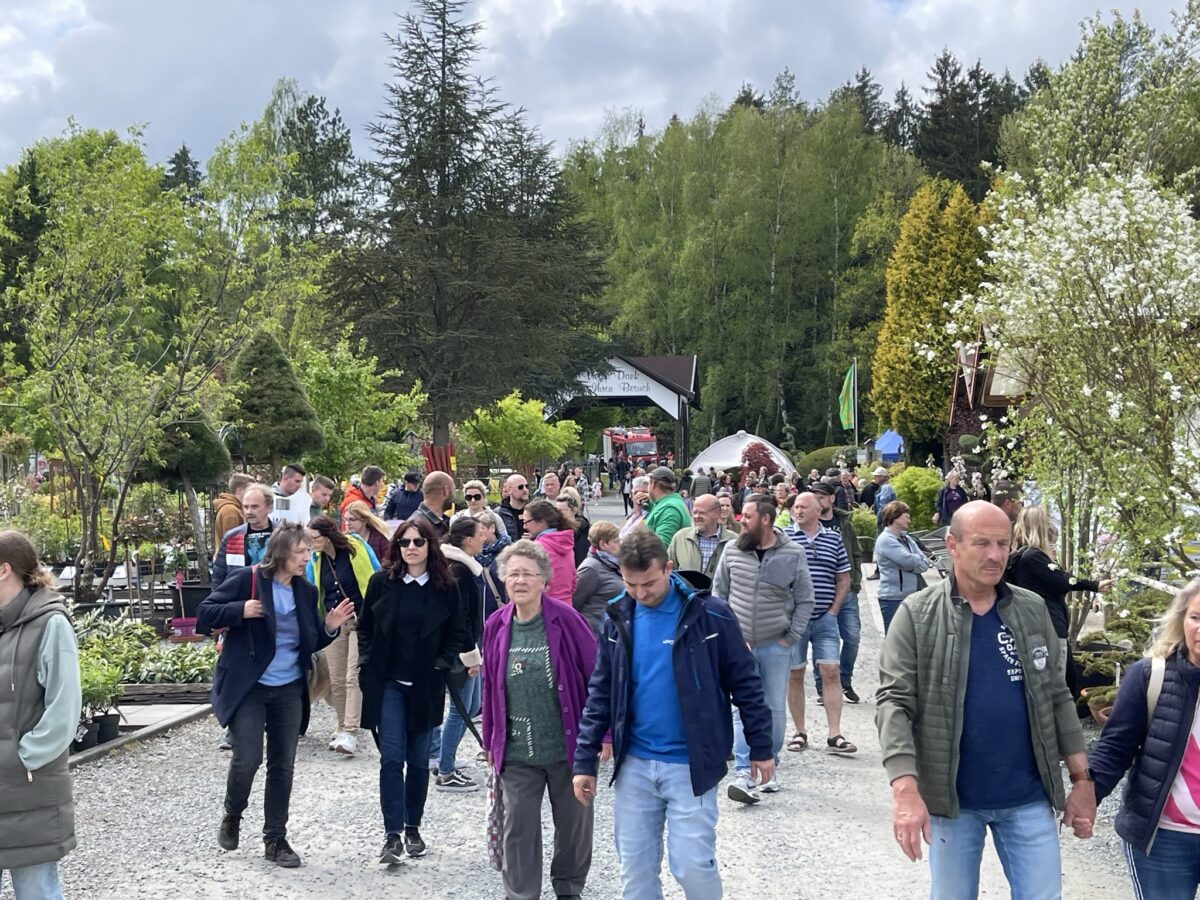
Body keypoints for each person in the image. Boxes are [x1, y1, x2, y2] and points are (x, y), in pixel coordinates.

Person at [876, 501, 1096, 899]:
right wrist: (905, 791)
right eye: (982, 543)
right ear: (952, 545)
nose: (995, 555)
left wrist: (1081, 780)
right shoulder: (918, 614)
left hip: (1028, 797)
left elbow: (1057, 695)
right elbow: (894, 703)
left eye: (1002, 543)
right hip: (953, 801)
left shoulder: (1031, 609)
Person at [573, 529, 775, 899]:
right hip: (634, 764)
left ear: (668, 568)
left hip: (690, 765)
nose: (639, 593)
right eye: (630, 584)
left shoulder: (712, 616)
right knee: (634, 873)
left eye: (648, 583)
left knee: (692, 865)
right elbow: (600, 690)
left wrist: (761, 746)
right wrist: (584, 758)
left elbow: (747, 684)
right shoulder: (617, 616)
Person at [198, 523, 355, 867]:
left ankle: (275, 840)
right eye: (301, 552)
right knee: (248, 758)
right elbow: (204, 615)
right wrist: (239, 610)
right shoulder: (248, 580)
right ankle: (233, 814)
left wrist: (329, 625)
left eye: (308, 552)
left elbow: (311, 642)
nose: (306, 558)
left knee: (282, 766)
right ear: (282, 552)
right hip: (250, 687)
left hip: (288, 689)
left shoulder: (304, 590)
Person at [482, 540, 598, 900]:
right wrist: (490, 741)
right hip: (517, 749)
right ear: (503, 580)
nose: (519, 581)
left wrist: (603, 736)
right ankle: (521, 894)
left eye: (527, 574)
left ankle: (568, 888)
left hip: (567, 746)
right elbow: (489, 687)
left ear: (544, 580)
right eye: (512, 574)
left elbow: (597, 678)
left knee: (573, 825)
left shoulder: (568, 621)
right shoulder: (496, 624)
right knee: (519, 826)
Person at [357, 516, 472, 864]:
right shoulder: (381, 583)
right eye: (404, 542)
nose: (410, 548)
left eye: (418, 542)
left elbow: (459, 632)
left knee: (419, 762)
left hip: (426, 684)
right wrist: (365, 664)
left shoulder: (446, 587)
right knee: (391, 758)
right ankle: (391, 835)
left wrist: (441, 662)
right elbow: (365, 629)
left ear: (429, 546)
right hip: (389, 683)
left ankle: (413, 828)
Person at [1089, 578, 1200, 898]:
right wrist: (1087, 793)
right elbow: (1115, 747)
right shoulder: (1151, 675)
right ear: (1182, 620)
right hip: (1164, 838)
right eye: (1196, 617)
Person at [713, 494, 813, 804]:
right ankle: (745, 772)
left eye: (748, 516)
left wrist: (791, 636)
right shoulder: (732, 551)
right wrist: (727, 637)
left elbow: (806, 599)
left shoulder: (793, 554)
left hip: (775, 645)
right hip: (739, 646)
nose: (741, 520)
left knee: (773, 711)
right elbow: (719, 595)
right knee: (742, 708)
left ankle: (770, 762)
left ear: (766, 520)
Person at [0, 530, 81, 900]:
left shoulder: (50, 624)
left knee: (36, 892)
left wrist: (23, 756)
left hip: (26, 788)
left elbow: (64, 710)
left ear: (4, 570)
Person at [784, 493, 855, 756]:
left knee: (831, 671)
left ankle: (834, 733)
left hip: (825, 618)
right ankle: (800, 731)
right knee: (794, 674)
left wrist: (834, 611)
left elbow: (843, 578)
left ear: (818, 510)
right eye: (795, 507)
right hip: (794, 620)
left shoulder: (833, 538)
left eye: (803, 506)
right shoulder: (784, 537)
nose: (798, 510)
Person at [1007, 505, 1113, 680]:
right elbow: (1063, 581)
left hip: (1038, 624)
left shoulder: (1021, 556)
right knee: (1061, 681)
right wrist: (1094, 585)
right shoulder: (1034, 557)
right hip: (1050, 626)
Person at [305, 516, 381, 757]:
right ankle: (341, 726)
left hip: (361, 619)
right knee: (336, 678)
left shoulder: (355, 548)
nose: (310, 543)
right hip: (334, 621)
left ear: (327, 535)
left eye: (313, 538)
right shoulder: (315, 561)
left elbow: (376, 576)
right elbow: (312, 588)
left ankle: (350, 730)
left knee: (352, 675)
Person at [435, 518, 490, 792]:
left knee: (471, 705)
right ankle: (446, 770)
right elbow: (462, 618)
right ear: (467, 539)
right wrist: (471, 657)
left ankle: (447, 757)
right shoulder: (460, 570)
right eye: (480, 534)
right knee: (460, 710)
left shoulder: (463, 566)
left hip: (469, 645)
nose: (485, 537)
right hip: (463, 649)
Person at [809, 482, 864, 703]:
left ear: (832, 498)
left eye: (821, 497)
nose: (818, 501)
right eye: (815, 497)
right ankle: (823, 685)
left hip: (847, 589)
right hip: (820, 591)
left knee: (852, 636)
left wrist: (856, 580)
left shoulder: (843, 522)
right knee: (820, 639)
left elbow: (856, 552)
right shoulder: (808, 523)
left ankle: (844, 680)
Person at [873, 501, 932, 634]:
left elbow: (924, 563)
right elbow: (908, 560)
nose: (909, 520)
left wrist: (912, 564)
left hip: (913, 595)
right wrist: (914, 562)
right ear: (895, 517)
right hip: (893, 598)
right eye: (906, 516)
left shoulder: (907, 539)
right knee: (895, 641)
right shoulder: (886, 540)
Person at [212, 483, 276, 587]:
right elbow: (219, 574)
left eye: (255, 507)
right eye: (246, 507)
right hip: (241, 598)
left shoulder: (282, 534)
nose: (249, 512)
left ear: (269, 508)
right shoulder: (232, 536)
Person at [521, 499, 578, 606]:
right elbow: (574, 582)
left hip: (545, 609)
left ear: (541, 522)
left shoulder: (536, 548)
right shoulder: (566, 543)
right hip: (567, 607)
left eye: (526, 522)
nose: (524, 526)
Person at [667, 493, 736, 581]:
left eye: (702, 513)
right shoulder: (680, 538)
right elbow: (669, 572)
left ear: (717, 513)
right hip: (686, 594)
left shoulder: (733, 541)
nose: (696, 517)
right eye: (695, 512)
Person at [573, 521, 624, 635]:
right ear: (603, 544)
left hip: (611, 631)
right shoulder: (591, 568)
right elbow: (573, 601)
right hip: (594, 634)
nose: (621, 544)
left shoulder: (612, 564)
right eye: (616, 541)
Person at [643, 466, 690, 546]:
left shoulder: (669, 510)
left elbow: (661, 548)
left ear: (653, 483)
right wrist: (644, 503)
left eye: (648, 483)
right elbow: (656, 508)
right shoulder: (670, 501)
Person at [213, 473, 255, 554]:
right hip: (230, 563)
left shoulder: (234, 508)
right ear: (239, 491)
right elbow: (232, 546)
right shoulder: (231, 511)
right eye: (251, 490)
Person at [555, 486, 592, 567]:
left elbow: (581, 558)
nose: (558, 514)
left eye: (562, 511)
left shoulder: (583, 530)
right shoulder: (554, 528)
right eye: (556, 510)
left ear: (574, 510)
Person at [415, 471, 453, 538]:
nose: (454, 496)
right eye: (453, 490)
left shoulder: (441, 522)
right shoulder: (419, 527)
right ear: (446, 490)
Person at [496, 473, 530, 542]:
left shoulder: (536, 510)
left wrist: (534, 536)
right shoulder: (498, 513)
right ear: (509, 490)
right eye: (520, 487)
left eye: (527, 486)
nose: (525, 490)